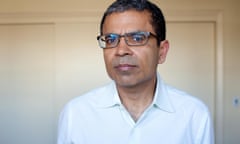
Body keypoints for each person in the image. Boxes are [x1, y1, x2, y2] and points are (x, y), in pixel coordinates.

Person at [57, 0, 214, 144]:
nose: (121, 51)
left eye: (137, 38)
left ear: (162, 51)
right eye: (111, 39)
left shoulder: (194, 115)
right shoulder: (75, 114)